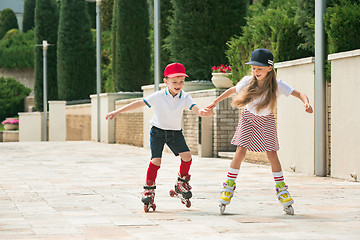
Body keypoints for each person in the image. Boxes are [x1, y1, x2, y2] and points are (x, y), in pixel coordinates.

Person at [205, 48, 313, 215]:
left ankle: (282, 190)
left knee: (272, 153)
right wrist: (215, 101)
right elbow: (233, 90)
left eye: (259, 69)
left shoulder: (277, 85)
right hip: (248, 118)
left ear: (270, 68)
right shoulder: (248, 81)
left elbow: (299, 93)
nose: (256, 72)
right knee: (240, 151)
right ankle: (228, 187)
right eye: (254, 68)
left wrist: (306, 103)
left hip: (266, 120)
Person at [105, 63, 212, 212]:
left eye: (181, 81)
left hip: (175, 132)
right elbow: (139, 103)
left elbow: (195, 108)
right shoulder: (159, 95)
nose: (178, 85)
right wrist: (118, 112)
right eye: (174, 82)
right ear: (166, 81)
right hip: (157, 132)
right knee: (156, 160)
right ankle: (149, 188)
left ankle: (181, 182)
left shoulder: (185, 96)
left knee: (187, 156)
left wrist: (202, 112)